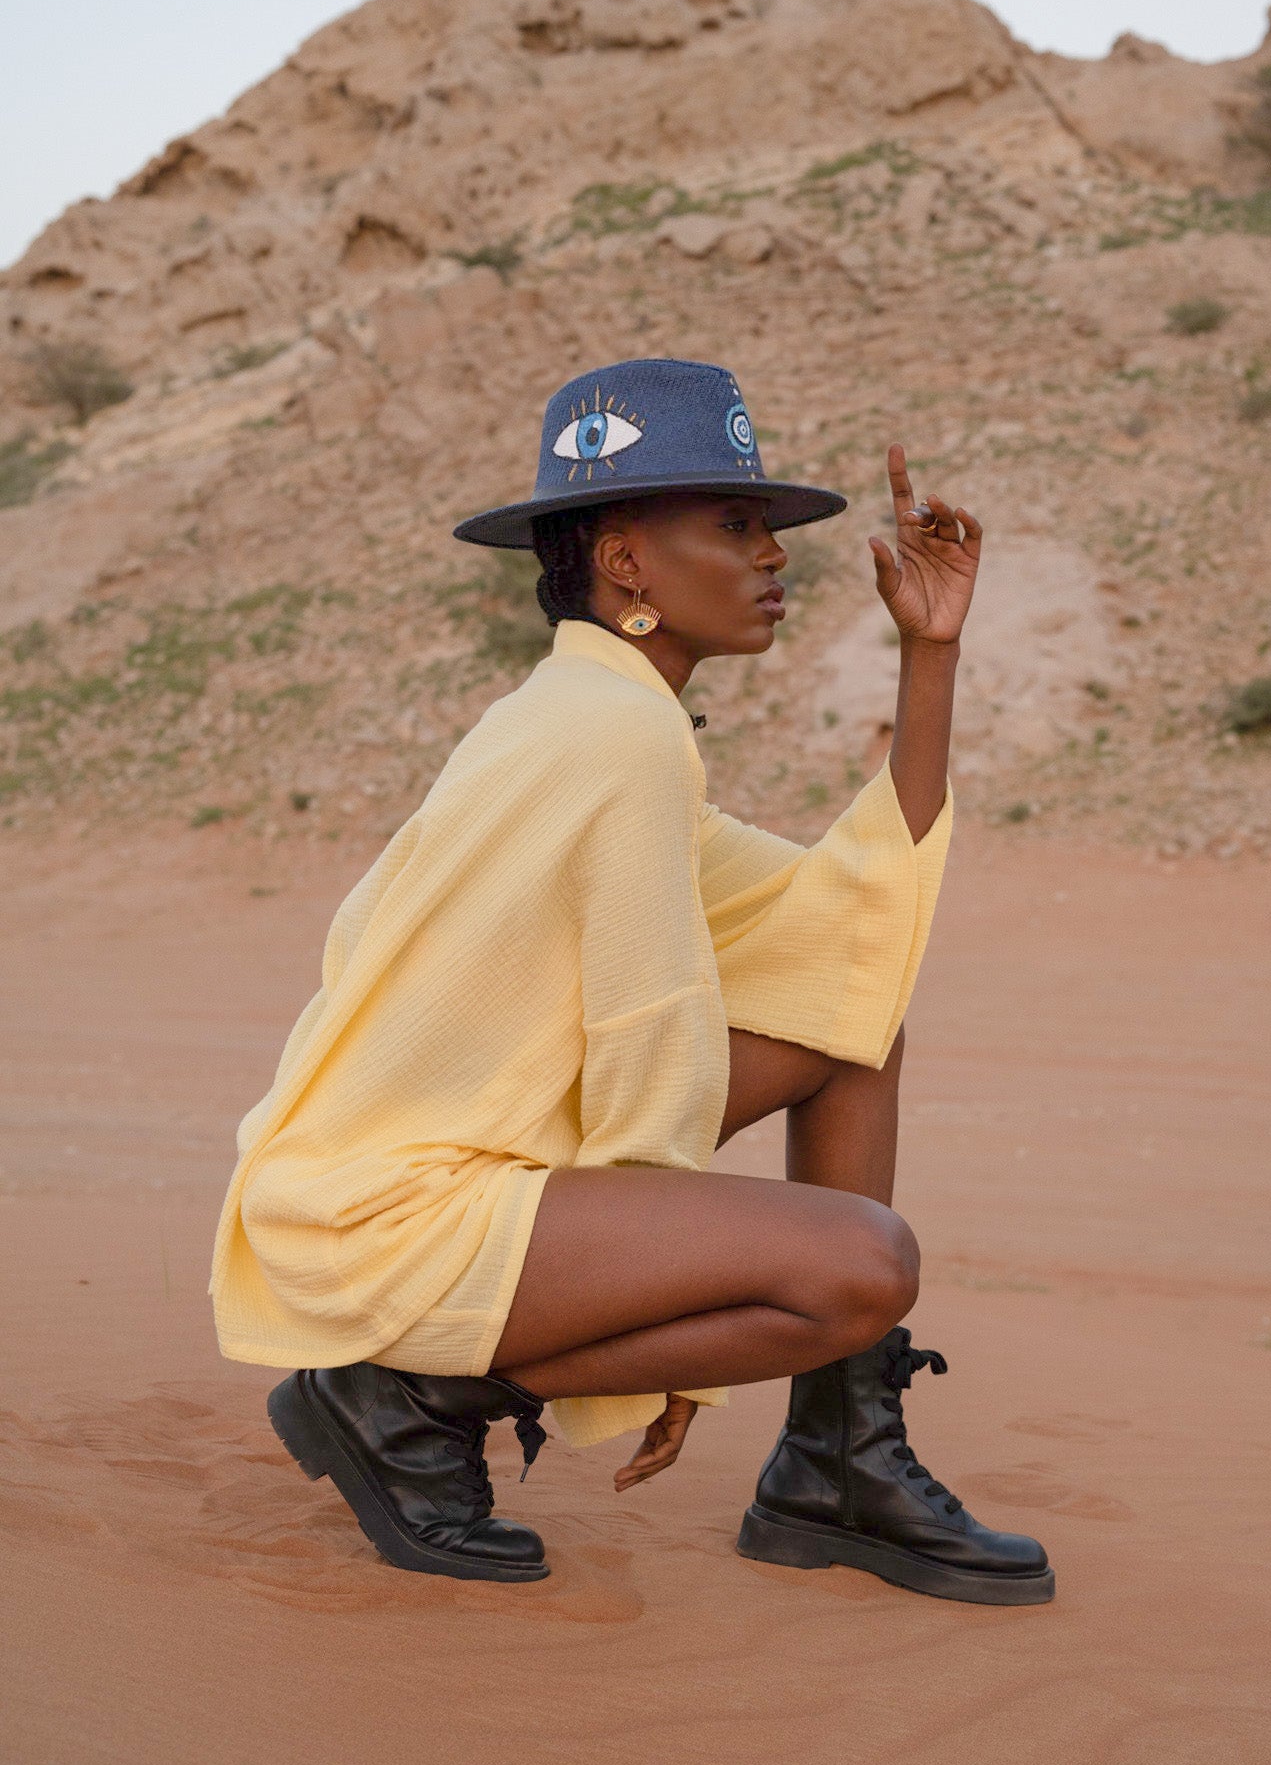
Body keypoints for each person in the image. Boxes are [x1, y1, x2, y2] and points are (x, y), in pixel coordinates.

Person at [211, 357, 1053, 1605]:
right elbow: (649, 1045)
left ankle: (835, 1456)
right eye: (731, 525)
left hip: (420, 1179)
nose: (772, 555)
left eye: (766, 527)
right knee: (862, 1266)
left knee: (854, 1013)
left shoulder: (583, 715)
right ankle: (405, 1398)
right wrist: (663, 1336)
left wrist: (928, 654)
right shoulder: (615, 741)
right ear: (625, 561)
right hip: (398, 1218)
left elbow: (847, 924)